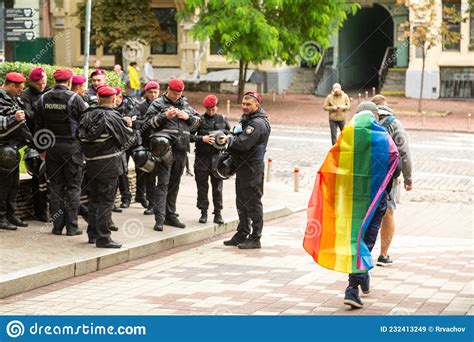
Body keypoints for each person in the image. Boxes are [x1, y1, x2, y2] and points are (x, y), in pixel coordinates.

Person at [79, 86, 134, 248]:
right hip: (109, 166)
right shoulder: (112, 117)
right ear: (113, 99)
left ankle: (93, 234)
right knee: (106, 202)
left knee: (94, 200)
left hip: (91, 164)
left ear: (98, 97)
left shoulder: (86, 115)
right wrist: (129, 126)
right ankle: (104, 237)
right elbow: (128, 140)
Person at [35, 68, 88, 236]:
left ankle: (57, 227)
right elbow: (85, 124)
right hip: (72, 149)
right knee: (73, 188)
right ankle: (72, 227)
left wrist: (41, 150)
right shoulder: (75, 99)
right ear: (70, 82)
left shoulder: (43, 99)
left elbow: (38, 127)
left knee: (56, 187)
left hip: (51, 149)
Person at [145, 79, 200, 231]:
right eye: (174, 93)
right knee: (163, 183)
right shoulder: (157, 104)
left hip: (181, 149)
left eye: (179, 94)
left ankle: (171, 215)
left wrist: (187, 117)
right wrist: (165, 116)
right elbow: (148, 124)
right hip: (164, 150)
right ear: (168, 89)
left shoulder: (185, 105)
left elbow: (198, 123)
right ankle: (159, 219)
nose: (177, 96)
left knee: (175, 184)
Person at [222, 91, 271, 249]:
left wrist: (229, 140)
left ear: (257, 105)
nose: (245, 107)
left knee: (253, 203)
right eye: (243, 104)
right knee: (241, 201)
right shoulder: (248, 120)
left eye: (248, 104)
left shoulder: (257, 124)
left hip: (252, 168)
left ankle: (255, 237)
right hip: (243, 167)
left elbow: (244, 143)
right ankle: (242, 232)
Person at [372, 94, 413, 267]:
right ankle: (383, 255)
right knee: (388, 212)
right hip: (388, 176)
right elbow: (404, 152)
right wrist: (408, 178)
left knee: (364, 210)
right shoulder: (394, 123)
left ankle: (361, 251)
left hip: (365, 174)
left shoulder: (360, 123)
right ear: (386, 106)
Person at [191, 94, 230, 224]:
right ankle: (203, 212)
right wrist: (202, 138)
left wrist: (225, 136)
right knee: (202, 186)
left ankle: (218, 213)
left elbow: (230, 134)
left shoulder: (222, 118)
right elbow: (189, 136)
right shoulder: (199, 120)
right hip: (202, 158)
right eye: (208, 109)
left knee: (217, 187)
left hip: (217, 158)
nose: (211, 111)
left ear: (217, 106)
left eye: (213, 108)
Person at [0, 72, 32, 230]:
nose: (21, 92)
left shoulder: (13, 98)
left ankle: (11, 215)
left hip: (12, 150)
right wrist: (14, 118)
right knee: (3, 185)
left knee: (14, 184)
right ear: (11, 86)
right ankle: (1, 217)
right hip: (2, 150)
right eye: (19, 89)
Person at [20, 67, 50, 222]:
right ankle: (40, 210)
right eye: (39, 84)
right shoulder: (25, 96)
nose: (42, 86)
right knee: (38, 177)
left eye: (44, 82)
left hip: (53, 140)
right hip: (35, 140)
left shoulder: (49, 93)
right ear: (32, 82)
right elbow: (29, 117)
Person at [131, 81, 160, 213]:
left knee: (165, 178)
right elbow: (135, 122)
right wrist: (152, 123)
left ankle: (164, 205)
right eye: (150, 92)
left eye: (155, 92)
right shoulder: (140, 106)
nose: (153, 94)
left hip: (161, 146)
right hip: (146, 145)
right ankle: (151, 204)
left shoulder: (163, 105)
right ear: (146, 92)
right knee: (149, 175)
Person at [113, 87, 138, 209]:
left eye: (115, 97)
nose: (112, 100)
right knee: (122, 171)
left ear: (120, 97)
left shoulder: (133, 104)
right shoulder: (109, 106)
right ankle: (126, 198)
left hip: (134, 141)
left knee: (143, 168)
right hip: (121, 144)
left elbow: (141, 120)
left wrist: (132, 122)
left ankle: (142, 196)